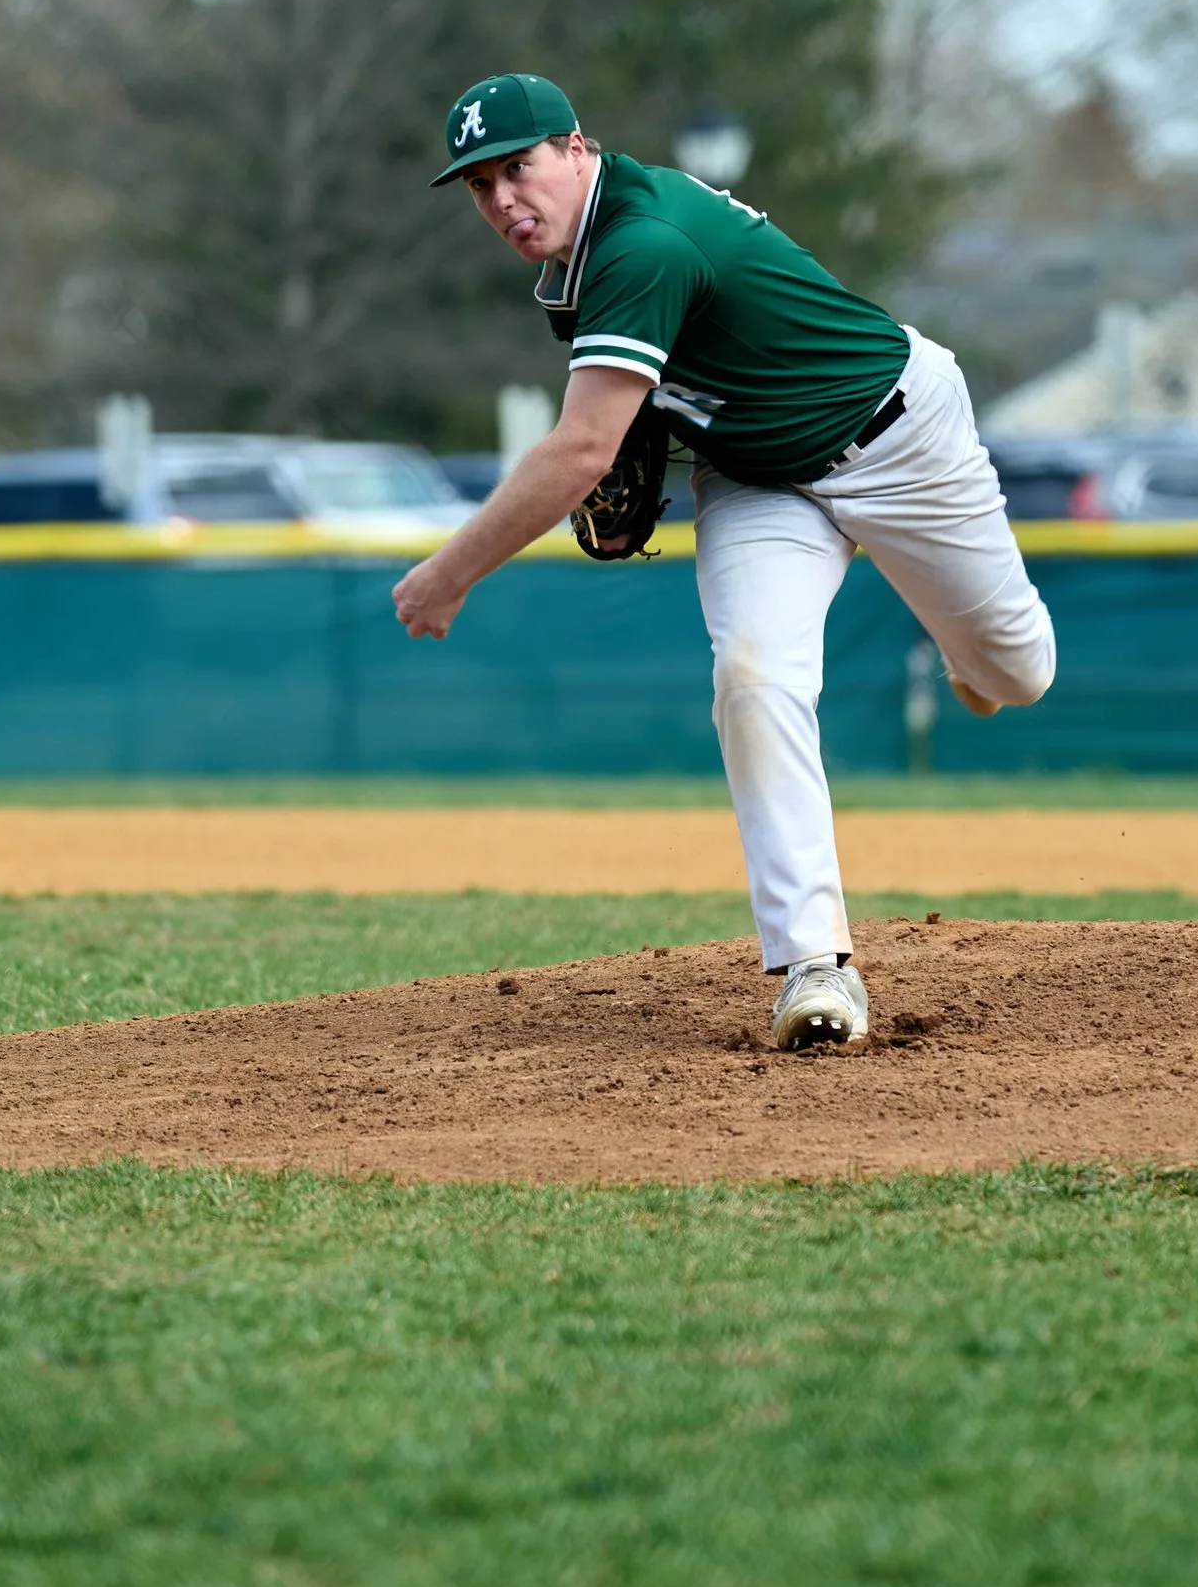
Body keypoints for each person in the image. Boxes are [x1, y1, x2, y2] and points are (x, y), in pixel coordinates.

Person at [391, 72, 1056, 1048]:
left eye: (516, 169)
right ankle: (814, 967)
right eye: (478, 185)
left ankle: (972, 660)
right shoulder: (579, 257)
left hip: (900, 440)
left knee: (1018, 672)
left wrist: (447, 572)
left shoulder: (640, 243)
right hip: (758, 482)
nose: (500, 201)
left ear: (576, 148)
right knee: (751, 672)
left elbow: (579, 453)